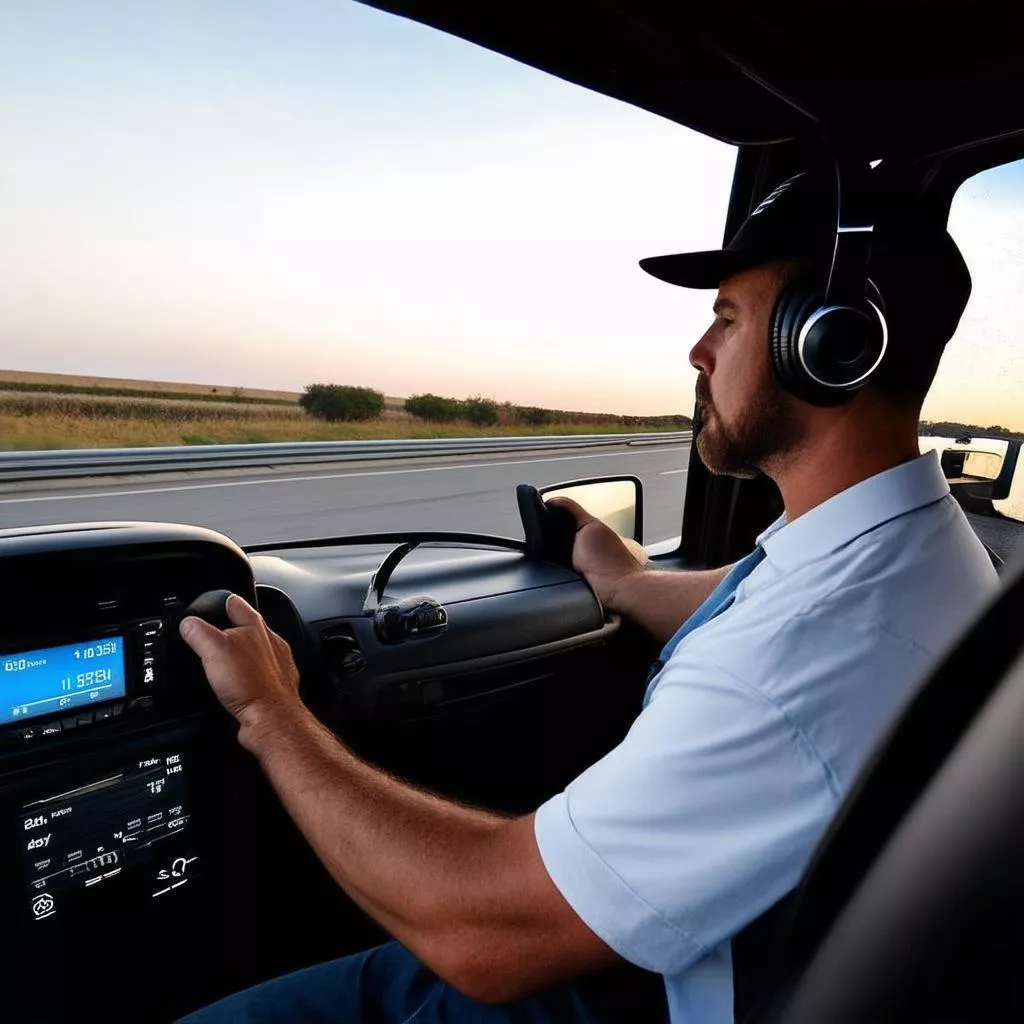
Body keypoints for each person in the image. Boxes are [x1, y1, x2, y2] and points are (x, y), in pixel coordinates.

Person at [178, 170, 997, 1024]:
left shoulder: (806, 655)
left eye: (727, 318)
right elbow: (759, 598)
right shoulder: (909, 551)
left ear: (830, 344)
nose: (698, 351)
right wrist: (627, 583)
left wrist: (270, 713)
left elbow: (483, 935)